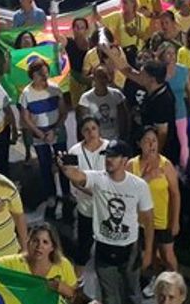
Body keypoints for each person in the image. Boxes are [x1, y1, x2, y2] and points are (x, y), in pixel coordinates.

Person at [59, 140, 154, 304]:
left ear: (124, 160)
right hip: (104, 248)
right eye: (107, 155)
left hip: (130, 249)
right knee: (110, 297)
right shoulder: (99, 178)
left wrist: (149, 251)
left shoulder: (139, 186)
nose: (109, 159)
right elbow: (78, 175)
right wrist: (65, 168)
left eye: (114, 156)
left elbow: (149, 220)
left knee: (133, 293)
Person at [19, 59, 70, 219]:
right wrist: (39, 133)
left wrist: (54, 130)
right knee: (45, 165)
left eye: (46, 73)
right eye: (40, 74)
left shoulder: (55, 89)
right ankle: (51, 195)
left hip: (57, 132)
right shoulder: (26, 94)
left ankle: (66, 193)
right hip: (39, 135)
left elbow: (63, 112)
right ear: (32, 75)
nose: (44, 77)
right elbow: (26, 118)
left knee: (63, 163)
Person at [128, 126, 180, 274]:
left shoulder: (166, 165)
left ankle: (175, 281)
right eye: (147, 141)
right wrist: (147, 178)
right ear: (139, 144)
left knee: (167, 256)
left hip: (162, 221)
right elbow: (127, 193)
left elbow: (175, 194)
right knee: (147, 258)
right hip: (141, 222)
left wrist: (175, 221)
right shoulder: (131, 165)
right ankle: (154, 278)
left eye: (154, 141)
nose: (151, 145)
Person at [0, 223, 77, 303]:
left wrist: (63, 289)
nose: (39, 246)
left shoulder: (63, 265)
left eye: (45, 242)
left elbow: (75, 297)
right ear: (28, 242)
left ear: (52, 247)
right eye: (35, 241)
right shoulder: (14, 262)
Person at [67, 116, 108, 276]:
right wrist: (94, 193)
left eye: (93, 128)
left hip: (107, 208)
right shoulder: (75, 151)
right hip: (86, 208)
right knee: (83, 247)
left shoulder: (110, 147)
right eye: (86, 130)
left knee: (107, 247)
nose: (91, 133)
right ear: (81, 132)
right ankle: (77, 281)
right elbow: (74, 180)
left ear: (99, 129)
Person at [157, 41, 190, 170]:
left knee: (183, 142)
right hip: (164, 113)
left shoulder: (182, 70)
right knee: (166, 142)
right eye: (168, 53)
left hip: (180, 112)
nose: (172, 56)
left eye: (174, 53)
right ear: (162, 55)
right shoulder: (158, 72)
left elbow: (189, 91)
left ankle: (184, 169)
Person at [77, 64, 128, 141]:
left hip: (116, 139)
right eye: (99, 76)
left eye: (104, 76)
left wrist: (123, 138)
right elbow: (84, 123)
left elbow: (124, 119)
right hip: (96, 141)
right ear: (93, 78)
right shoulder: (85, 98)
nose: (102, 79)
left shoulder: (117, 95)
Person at [51, 15, 91, 106]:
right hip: (75, 80)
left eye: (82, 27)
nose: (79, 29)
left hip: (90, 79)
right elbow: (56, 35)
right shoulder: (68, 42)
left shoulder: (91, 42)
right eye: (76, 27)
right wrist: (53, 14)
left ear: (86, 30)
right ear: (72, 29)